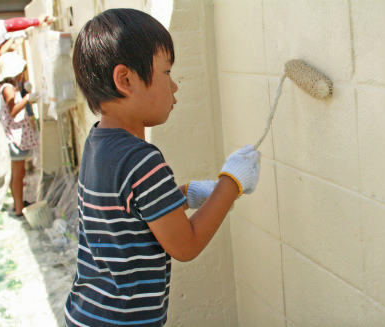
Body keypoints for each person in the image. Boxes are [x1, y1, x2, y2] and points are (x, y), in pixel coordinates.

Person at [64, 8, 261, 327]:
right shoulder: (142, 159)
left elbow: (130, 212)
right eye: (167, 72)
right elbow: (186, 245)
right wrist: (231, 183)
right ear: (126, 80)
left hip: (86, 312)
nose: (175, 86)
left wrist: (190, 194)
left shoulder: (98, 143)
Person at [0, 52, 41, 217]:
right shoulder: (7, 88)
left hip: (14, 136)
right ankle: (18, 208)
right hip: (13, 137)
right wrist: (27, 98)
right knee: (18, 173)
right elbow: (13, 111)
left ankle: (18, 203)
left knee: (18, 173)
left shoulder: (8, 86)